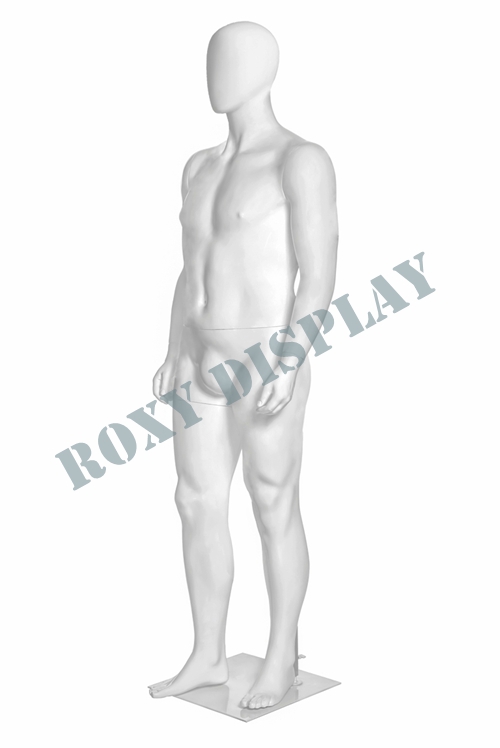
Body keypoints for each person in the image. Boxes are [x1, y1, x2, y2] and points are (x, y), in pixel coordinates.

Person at [150, 21, 338, 710]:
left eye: (231, 59)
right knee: (194, 501)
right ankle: (207, 653)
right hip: (199, 357)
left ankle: (282, 652)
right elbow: (190, 269)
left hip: (265, 359)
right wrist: (173, 348)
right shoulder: (198, 167)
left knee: (272, 502)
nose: (217, 71)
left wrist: (291, 358)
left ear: (265, 68)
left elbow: (318, 273)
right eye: (213, 58)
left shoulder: (301, 160)